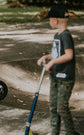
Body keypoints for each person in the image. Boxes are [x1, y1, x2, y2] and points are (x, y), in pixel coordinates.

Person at [37, 5, 80, 135]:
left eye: (49, 19)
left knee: (62, 108)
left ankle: (70, 132)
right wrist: (46, 57)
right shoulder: (57, 35)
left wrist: (53, 62)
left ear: (55, 20)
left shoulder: (66, 36)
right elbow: (57, 54)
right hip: (55, 76)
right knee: (53, 107)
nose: (49, 22)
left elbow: (69, 55)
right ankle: (54, 131)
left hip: (65, 79)